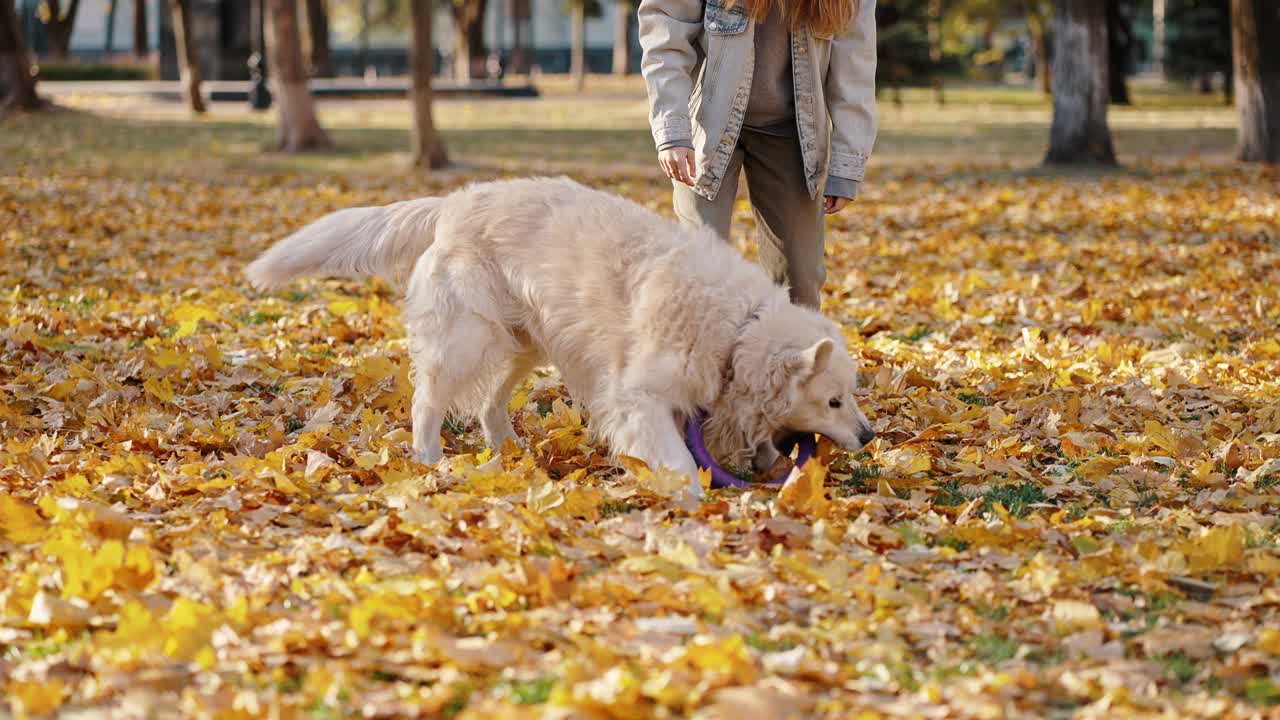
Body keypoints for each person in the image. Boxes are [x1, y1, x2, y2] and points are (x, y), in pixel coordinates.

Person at [638, 0, 877, 309]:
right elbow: (665, 28)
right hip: (710, 125)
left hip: (793, 133)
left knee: (798, 286)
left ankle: (787, 356)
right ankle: (699, 356)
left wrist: (847, 164)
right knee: (700, 270)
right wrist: (672, 129)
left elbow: (855, 68)